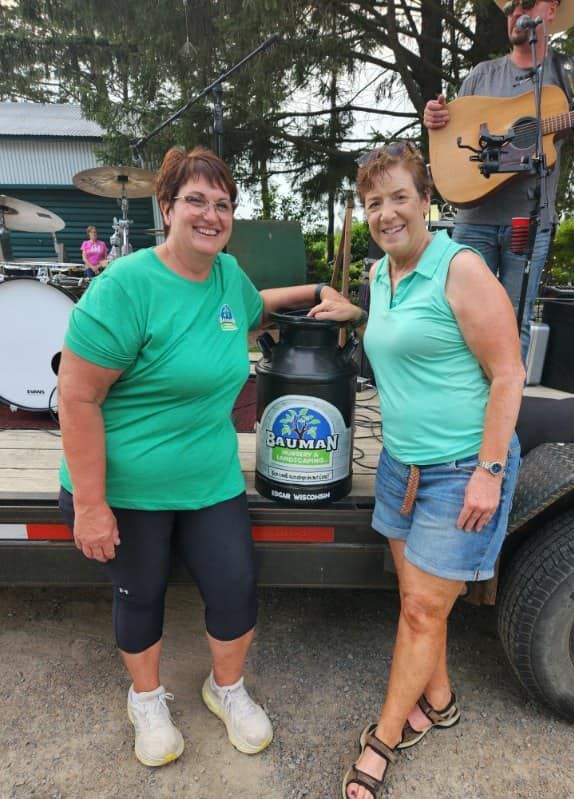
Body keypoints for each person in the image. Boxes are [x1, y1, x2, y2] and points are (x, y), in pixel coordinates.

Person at [57, 145, 354, 768]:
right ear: (165, 207)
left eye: (222, 204)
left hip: (209, 476)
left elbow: (258, 304)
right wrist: (90, 505)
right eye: (195, 200)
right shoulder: (126, 287)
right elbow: (78, 399)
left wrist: (325, 289)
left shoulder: (226, 277)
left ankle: (227, 689)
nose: (211, 215)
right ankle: (146, 699)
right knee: (141, 595)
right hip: (125, 483)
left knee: (235, 587)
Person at [313, 141, 524, 799]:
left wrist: (488, 470)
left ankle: (381, 740)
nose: (385, 213)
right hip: (400, 464)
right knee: (416, 607)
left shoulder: (459, 267)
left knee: (419, 613)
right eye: (373, 202)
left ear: (425, 200)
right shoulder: (382, 275)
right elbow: (401, 327)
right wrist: (353, 313)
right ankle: (438, 697)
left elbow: (509, 372)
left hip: (461, 466)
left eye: (398, 196)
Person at [424, 0, 574, 361]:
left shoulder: (570, 72)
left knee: (513, 321)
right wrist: (435, 116)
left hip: (531, 221)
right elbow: (455, 136)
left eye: (526, 3)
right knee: (464, 320)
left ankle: (506, 416)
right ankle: (467, 409)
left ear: (551, 9)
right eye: (509, 8)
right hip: (475, 221)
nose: (516, 12)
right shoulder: (481, 75)